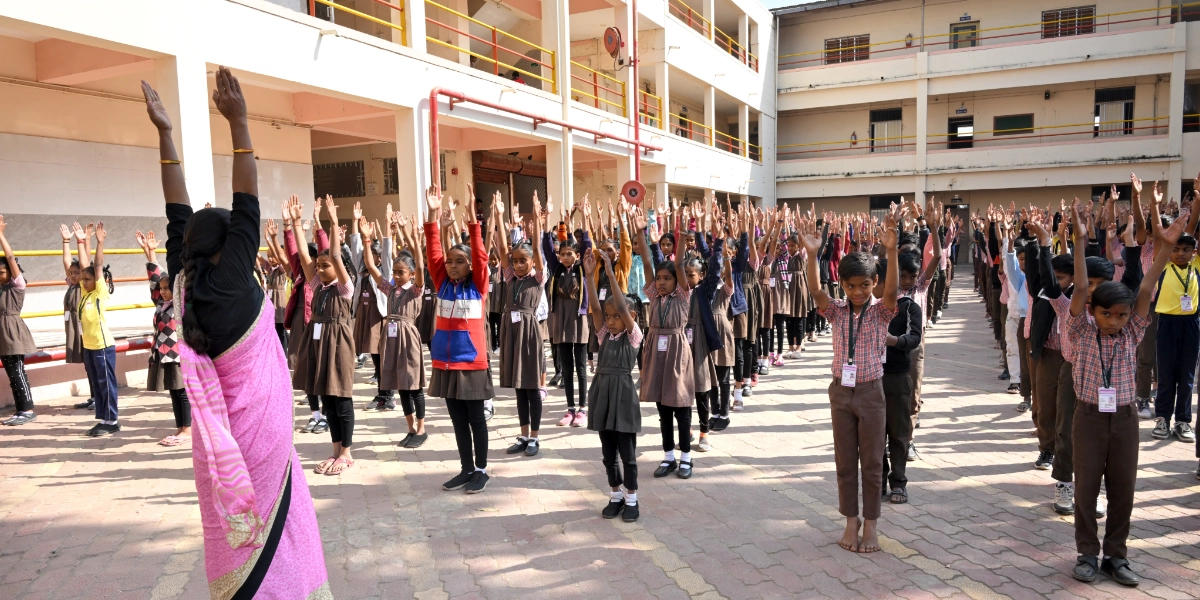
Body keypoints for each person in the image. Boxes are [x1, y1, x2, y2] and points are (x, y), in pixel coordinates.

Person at [143, 68, 328, 598]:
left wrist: (166, 134)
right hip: (259, 437)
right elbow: (247, 197)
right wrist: (239, 122)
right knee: (277, 526)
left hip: (219, 447)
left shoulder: (184, 281)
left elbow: (177, 209)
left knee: (241, 536)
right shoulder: (229, 279)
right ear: (231, 248)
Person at [1066, 201, 1182, 587]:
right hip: (1088, 416)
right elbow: (1080, 288)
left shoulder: (1132, 331)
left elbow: (1146, 286)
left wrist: (1165, 247)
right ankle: (1087, 552)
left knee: (1123, 488)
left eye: (1121, 314)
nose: (1114, 321)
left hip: (1126, 417)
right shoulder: (1081, 329)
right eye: (1107, 314)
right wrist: (1080, 241)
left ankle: (1116, 555)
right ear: (1092, 311)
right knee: (1086, 487)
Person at [800, 207, 899, 554]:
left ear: (874, 283)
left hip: (871, 393)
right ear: (842, 284)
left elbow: (892, 290)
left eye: (865, 285)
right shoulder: (837, 311)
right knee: (845, 464)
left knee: (871, 463)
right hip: (841, 392)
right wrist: (812, 255)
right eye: (851, 285)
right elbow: (815, 291)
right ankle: (850, 520)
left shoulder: (882, 311)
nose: (857, 291)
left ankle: (871, 524)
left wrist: (891, 251)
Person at [294, 196, 358, 476]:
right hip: (318, 342)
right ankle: (335, 451)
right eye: (318, 266)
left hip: (338, 343)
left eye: (325, 266)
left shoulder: (345, 288)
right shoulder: (318, 286)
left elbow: (335, 255)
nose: (320, 269)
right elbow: (304, 257)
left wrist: (331, 222)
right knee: (327, 400)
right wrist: (296, 223)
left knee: (341, 398)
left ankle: (346, 453)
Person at [633, 208, 697, 479]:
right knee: (663, 408)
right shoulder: (654, 296)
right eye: (659, 279)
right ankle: (668, 456)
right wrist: (640, 232)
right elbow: (647, 263)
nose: (660, 282)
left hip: (676, 351)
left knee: (681, 406)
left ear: (677, 282)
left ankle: (686, 458)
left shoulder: (682, 296)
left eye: (666, 279)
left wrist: (680, 234)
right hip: (655, 351)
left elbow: (679, 265)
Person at [583, 249, 643, 523]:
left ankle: (632, 498)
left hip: (623, 395)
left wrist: (609, 272)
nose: (610, 320)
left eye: (616, 316)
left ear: (631, 316)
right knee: (608, 454)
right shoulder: (604, 334)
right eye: (608, 317)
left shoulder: (634, 336)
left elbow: (619, 305)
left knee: (627, 454)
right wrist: (589, 276)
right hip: (602, 393)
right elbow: (596, 308)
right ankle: (616, 495)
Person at [366, 214, 428, 448]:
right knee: (401, 385)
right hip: (391, 339)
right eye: (395, 272)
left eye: (402, 272)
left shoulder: (415, 290)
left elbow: (420, 265)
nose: (397, 276)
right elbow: (371, 266)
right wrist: (366, 240)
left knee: (414, 386)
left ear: (411, 274)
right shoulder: (390, 290)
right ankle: (410, 428)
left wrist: (413, 239)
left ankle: (421, 429)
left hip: (408, 338)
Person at [137, 230, 191, 446]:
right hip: (163, 353)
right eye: (162, 289)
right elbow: (154, 280)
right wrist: (150, 253)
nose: (163, 291)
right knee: (173, 391)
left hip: (178, 354)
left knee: (182, 391)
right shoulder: (161, 303)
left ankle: (187, 429)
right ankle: (180, 428)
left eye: (167, 288)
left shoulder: (180, 303)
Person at [880, 251, 922, 504]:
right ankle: (877, 482)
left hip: (897, 377)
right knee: (874, 436)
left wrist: (892, 341)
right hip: (870, 379)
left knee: (898, 434)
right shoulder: (869, 306)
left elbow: (914, 337)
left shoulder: (908, 307)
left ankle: (898, 482)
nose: (904, 282)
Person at [544, 205, 592, 427]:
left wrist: (584, 218)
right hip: (561, 321)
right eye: (562, 254)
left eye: (569, 254)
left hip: (578, 320)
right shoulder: (557, 268)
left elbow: (587, 244)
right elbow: (546, 247)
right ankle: (570, 409)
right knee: (566, 367)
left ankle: (583, 409)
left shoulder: (582, 269)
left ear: (577, 255)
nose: (565, 257)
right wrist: (545, 219)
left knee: (581, 367)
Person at [77, 222, 119, 436]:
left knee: (106, 383)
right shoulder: (85, 294)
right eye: (82, 280)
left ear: (97, 281)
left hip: (103, 346)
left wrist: (99, 243)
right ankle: (104, 419)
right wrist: (82, 241)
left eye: (88, 280)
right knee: (97, 384)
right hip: (89, 347)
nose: (84, 282)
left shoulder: (99, 293)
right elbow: (84, 266)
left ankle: (112, 420)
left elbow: (97, 266)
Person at [0, 216, 37, 426]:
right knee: (11, 374)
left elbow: (10, 257)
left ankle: (27, 409)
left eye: (1, 272)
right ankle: (20, 409)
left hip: (12, 332)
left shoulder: (16, 287)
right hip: (3, 334)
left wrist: (1, 235)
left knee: (17, 372)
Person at [59, 224, 93, 411]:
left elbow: (85, 262)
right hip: (72, 326)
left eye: (76, 273)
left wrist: (84, 240)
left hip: (84, 327)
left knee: (91, 362)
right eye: (71, 273)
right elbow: (66, 262)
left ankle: (98, 397)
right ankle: (94, 396)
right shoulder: (71, 284)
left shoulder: (83, 285)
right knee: (87, 363)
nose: (72, 275)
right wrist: (66, 241)